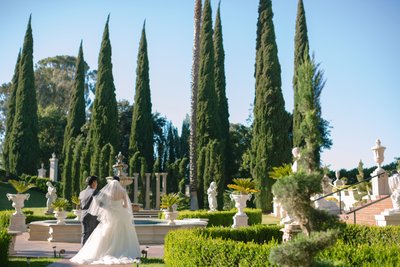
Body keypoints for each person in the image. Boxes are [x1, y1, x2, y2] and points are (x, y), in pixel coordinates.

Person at [70, 179, 141, 264]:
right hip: (121, 215)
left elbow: (105, 204)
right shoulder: (123, 192)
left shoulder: (108, 193)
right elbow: (126, 205)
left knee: (106, 234)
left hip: (111, 215)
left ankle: (105, 252)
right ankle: (121, 250)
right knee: (124, 233)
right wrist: (120, 206)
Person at [79, 176, 99, 245]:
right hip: (91, 217)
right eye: (96, 182)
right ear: (93, 182)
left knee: (84, 235)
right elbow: (100, 204)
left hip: (83, 215)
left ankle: (83, 252)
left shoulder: (82, 192)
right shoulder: (94, 191)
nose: (97, 184)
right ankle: (85, 253)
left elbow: (81, 205)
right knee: (91, 236)